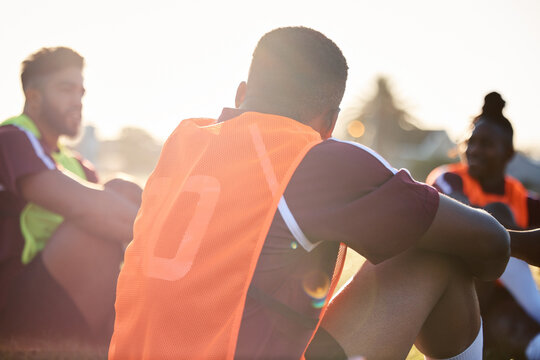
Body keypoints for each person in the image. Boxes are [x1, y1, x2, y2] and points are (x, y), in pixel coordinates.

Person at [109, 27, 539, 360]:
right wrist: (522, 243)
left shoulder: (185, 141)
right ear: (331, 120)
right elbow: (490, 244)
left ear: (241, 94)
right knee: (433, 252)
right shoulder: (313, 158)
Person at [0, 47, 141, 347]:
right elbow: (86, 210)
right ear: (34, 98)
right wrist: (174, 238)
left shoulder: (78, 164)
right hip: (16, 302)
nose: (77, 101)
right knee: (96, 221)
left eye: (81, 92)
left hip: (61, 294)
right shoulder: (12, 139)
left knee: (122, 190)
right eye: (66, 89)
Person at [427, 92, 540, 360]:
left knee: (519, 334)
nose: (474, 150)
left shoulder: (520, 195)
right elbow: (464, 215)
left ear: (508, 153)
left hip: (498, 303)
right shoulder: (448, 179)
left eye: (486, 143)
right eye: (470, 142)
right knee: (494, 217)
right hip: (454, 296)